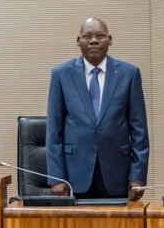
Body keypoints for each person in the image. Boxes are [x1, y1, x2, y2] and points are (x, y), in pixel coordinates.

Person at [46, 18, 149, 201]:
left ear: (109, 39)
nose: (94, 40)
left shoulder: (129, 74)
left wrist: (138, 177)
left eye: (100, 35)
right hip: (73, 175)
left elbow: (139, 131)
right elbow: (54, 131)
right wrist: (56, 178)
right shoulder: (61, 74)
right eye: (87, 36)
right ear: (78, 40)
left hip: (117, 174)